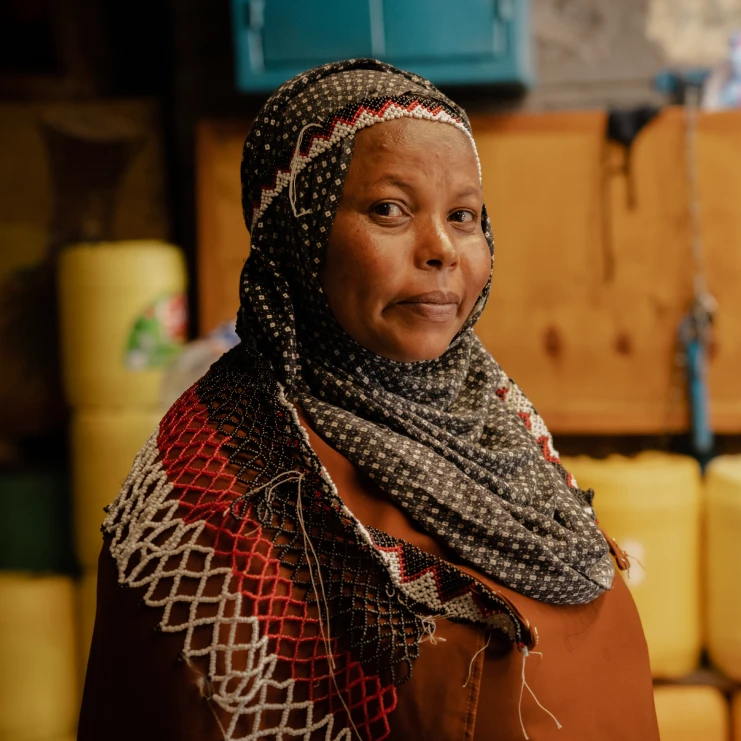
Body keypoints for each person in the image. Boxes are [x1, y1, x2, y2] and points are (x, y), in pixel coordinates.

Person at [79, 59, 659, 740]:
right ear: (302, 232)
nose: (441, 248)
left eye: (464, 215)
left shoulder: (486, 416)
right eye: (389, 209)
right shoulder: (219, 493)